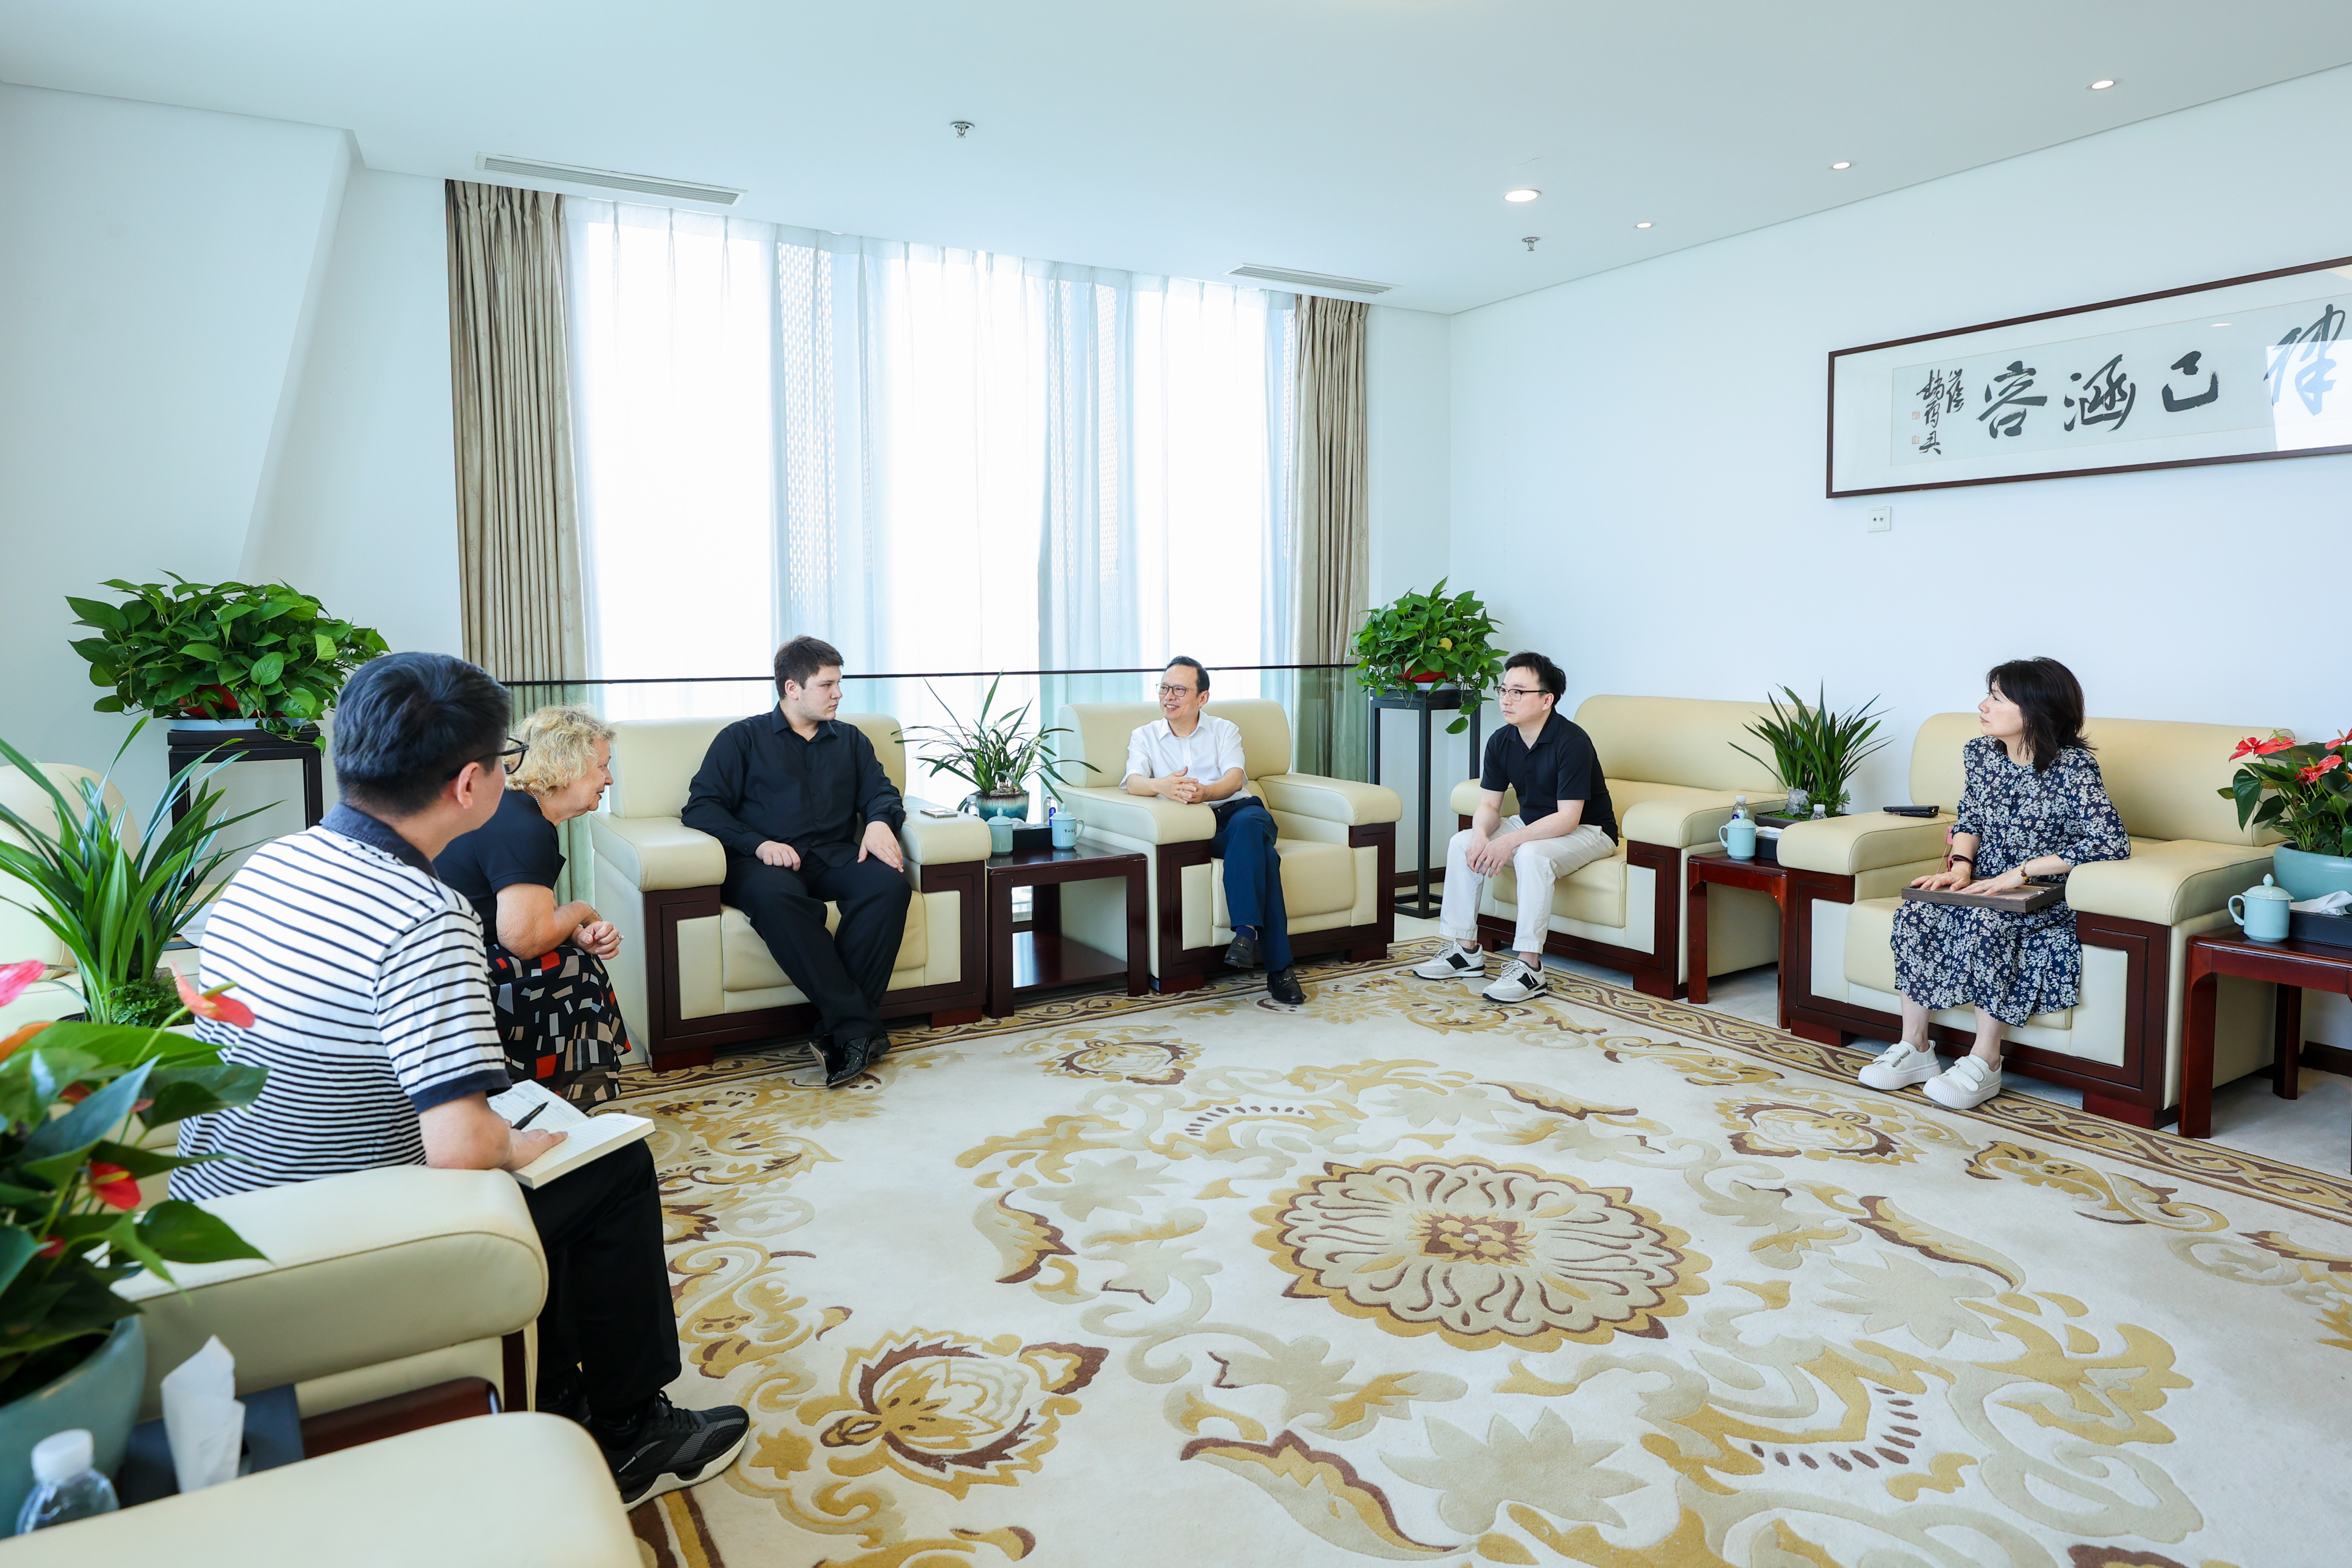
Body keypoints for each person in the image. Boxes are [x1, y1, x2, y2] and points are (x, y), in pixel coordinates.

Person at [172, 652, 747, 1508]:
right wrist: (533, 1141)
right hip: (324, 1228)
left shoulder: (272, 862)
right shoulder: (424, 915)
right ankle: (634, 1433)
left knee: (543, 1142)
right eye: (504, 760)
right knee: (609, 1166)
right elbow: (465, 1150)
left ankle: (558, 1394)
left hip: (220, 1207)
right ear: (471, 783)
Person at [1858, 657, 2130, 1111]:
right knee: (1918, 911)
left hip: (2039, 897)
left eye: (1997, 698)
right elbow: (1970, 817)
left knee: (1989, 923)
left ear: (2035, 709)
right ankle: (1915, 1047)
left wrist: (2020, 873)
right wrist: (1961, 867)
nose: (1983, 706)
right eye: (1988, 695)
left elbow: (2109, 841)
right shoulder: (1981, 753)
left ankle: (1985, 1060)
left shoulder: (2074, 767)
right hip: (1982, 884)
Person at [683, 636, 911, 1086]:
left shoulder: (851, 741)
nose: (838, 694)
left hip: (834, 856)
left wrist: (879, 822)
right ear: (792, 688)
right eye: (827, 685)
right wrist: (757, 843)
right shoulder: (740, 739)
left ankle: (841, 1029)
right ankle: (858, 1028)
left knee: (888, 886)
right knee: (776, 901)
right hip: (764, 865)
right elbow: (701, 808)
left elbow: (881, 793)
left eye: (839, 683)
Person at [434, 704, 630, 1106]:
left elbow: (513, 917)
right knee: (578, 971)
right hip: (449, 977)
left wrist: (574, 932)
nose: (608, 779)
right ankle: (553, 1104)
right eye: (602, 767)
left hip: (442, 958)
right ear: (566, 764)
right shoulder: (525, 826)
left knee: (573, 955)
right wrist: (581, 910)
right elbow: (523, 939)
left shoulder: (509, 806)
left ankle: (544, 1098)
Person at [1413, 651, 1617, 1004]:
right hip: (1534, 823)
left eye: (1518, 692)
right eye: (1503, 690)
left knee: (1531, 854)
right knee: (1463, 842)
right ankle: (1465, 950)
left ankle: (1529, 966)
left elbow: (1568, 818)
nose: (1506, 699)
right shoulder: (1501, 740)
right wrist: (1481, 836)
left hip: (1589, 830)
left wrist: (1509, 843)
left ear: (1546, 700)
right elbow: (1489, 806)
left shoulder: (1572, 742)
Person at [1124, 657, 1305, 1006]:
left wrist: (1205, 792)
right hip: (1197, 829)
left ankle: (1246, 934)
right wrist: (1162, 785)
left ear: (1202, 698)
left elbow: (1235, 779)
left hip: (1240, 813)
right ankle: (1276, 967)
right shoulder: (1144, 736)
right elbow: (1133, 782)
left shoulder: (1224, 730)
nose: (1168, 696)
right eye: (1164, 688)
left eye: (1179, 689)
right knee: (1265, 858)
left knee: (1250, 826)